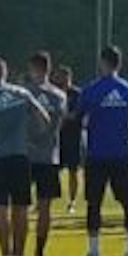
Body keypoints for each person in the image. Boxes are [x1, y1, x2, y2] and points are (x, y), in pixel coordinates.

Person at [0, 56, 50, 256]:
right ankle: (19, 254)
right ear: (5, 73)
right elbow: (43, 118)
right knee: (21, 207)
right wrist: (33, 138)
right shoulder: (21, 93)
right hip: (20, 155)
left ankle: (5, 254)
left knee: (0, 208)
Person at [72, 46, 128, 256]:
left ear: (103, 62)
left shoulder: (91, 90)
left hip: (97, 154)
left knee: (94, 203)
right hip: (121, 153)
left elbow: (78, 116)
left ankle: (94, 253)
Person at [23, 53, 67, 256]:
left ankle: (16, 253)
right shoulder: (59, 96)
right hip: (48, 156)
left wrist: (28, 141)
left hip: (26, 155)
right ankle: (39, 255)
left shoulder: (23, 94)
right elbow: (56, 126)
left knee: (19, 206)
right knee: (44, 208)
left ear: (33, 68)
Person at [51, 63, 83, 214]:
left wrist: (64, 117)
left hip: (72, 137)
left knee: (73, 171)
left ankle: (72, 201)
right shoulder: (54, 93)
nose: (58, 79)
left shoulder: (76, 94)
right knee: (51, 170)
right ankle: (46, 200)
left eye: (61, 76)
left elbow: (77, 114)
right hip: (57, 137)